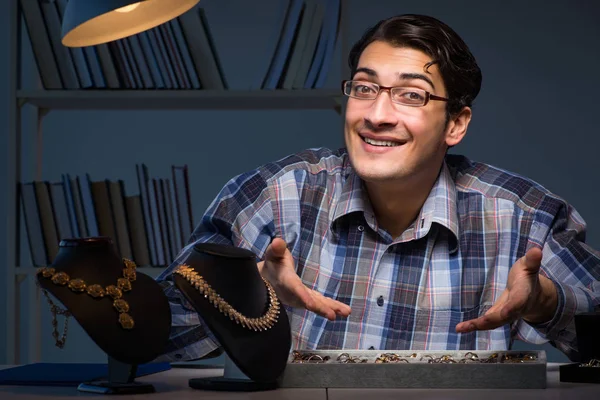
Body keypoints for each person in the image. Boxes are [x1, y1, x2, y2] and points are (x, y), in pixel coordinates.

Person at [155, 13, 600, 362]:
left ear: (457, 124)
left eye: (411, 95)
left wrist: (545, 302)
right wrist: (250, 288)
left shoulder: (526, 218)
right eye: (365, 88)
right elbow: (153, 333)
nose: (377, 114)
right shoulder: (277, 194)